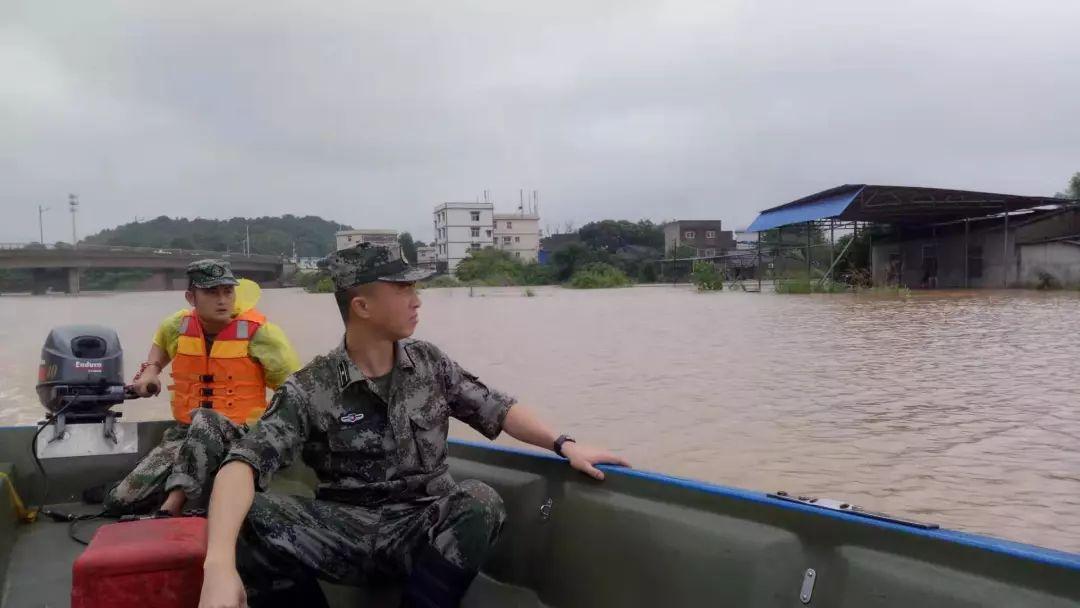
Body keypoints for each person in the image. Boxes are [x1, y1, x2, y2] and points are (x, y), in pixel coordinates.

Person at [197, 243, 629, 608]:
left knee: (479, 499)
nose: (417, 299)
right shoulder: (312, 386)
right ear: (361, 306)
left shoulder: (430, 364)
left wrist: (564, 443)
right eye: (402, 288)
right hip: (346, 532)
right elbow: (242, 463)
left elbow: (498, 408)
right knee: (244, 516)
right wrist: (217, 565)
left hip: (423, 528)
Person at [103, 259, 301, 516]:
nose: (222, 300)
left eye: (228, 291)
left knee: (206, 418)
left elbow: (294, 391)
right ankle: (149, 489)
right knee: (118, 502)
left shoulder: (262, 334)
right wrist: (150, 374)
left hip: (243, 436)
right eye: (211, 292)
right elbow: (157, 354)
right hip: (185, 434)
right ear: (191, 297)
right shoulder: (177, 326)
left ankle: (171, 507)